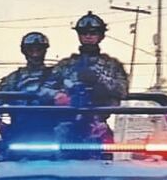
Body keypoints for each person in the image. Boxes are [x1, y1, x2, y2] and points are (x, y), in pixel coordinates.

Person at [50, 11, 130, 144]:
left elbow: (123, 90)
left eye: (93, 33)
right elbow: (45, 89)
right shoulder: (65, 65)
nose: (88, 36)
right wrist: (58, 95)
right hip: (68, 125)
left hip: (98, 124)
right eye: (84, 33)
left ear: (101, 36)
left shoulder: (112, 65)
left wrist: (100, 82)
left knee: (104, 161)